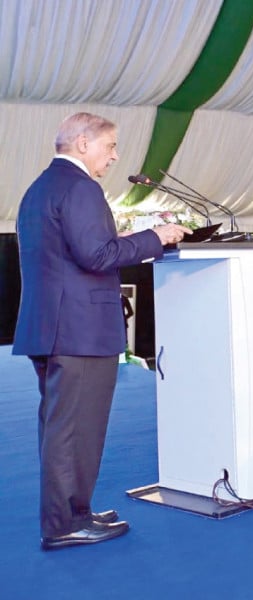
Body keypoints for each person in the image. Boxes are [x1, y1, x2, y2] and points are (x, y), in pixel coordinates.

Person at [13, 112, 191, 551]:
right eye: (110, 146)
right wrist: (156, 236)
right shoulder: (81, 187)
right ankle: (64, 525)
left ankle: (75, 512)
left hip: (54, 326)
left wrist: (125, 236)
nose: (114, 157)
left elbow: (74, 250)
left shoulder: (42, 188)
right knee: (74, 430)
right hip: (79, 330)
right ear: (82, 143)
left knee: (63, 428)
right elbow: (97, 255)